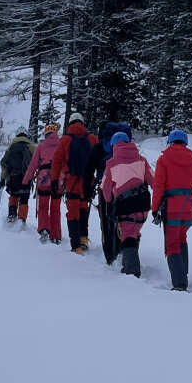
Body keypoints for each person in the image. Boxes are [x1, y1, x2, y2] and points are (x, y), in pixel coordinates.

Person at [151, 129, 192, 291]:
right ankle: (183, 275)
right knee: (181, 239)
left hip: (172, 207)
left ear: (170, 142)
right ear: (185, 143)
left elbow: (158, 186)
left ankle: (179, 284)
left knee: (172, 245)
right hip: (189, 207)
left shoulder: (163, 160)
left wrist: (154, 208)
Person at [100, 129, 154, 277]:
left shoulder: (111, 163)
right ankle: (129, 262)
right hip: (143, 206)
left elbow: (105, 188)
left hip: (125, 206)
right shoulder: (142, 160)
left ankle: (132, 271)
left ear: (114, 146)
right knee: (134, 232)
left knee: (127, 236)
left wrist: (110, 201)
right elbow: (154, 180)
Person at [51, 112, 102, 255]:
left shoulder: (65, 140)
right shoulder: (92, 138)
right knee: (84, 208)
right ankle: (83, 238)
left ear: (70, 124)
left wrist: (55, 180)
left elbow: (56, 162)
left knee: (72, 212)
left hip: (71, 181)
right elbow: (100, 160)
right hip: (88, 182)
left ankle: (76, 246)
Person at [96, 121, 130, 265]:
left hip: (107, 191)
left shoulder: (104, 153)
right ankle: (126, 253)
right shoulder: (135, 154)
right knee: (125, 223)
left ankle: (111, 256)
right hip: (128, 192)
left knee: (107, 221)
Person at [26, 122, 63, 244]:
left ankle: (44, 229)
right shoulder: (62, 145)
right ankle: (56, 234)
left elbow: (33, 165)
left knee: (43, 207)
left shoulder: (41, 147)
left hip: (43, 180)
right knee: (55, 208)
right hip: (58, 180)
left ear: (45, 134)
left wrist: (26, 180)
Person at [0, 128, 35, 226]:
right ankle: (22, 220)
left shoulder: (11, 147)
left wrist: (2, 178)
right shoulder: (31, 147)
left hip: (13, 178)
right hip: (26, 177)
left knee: (13, 196)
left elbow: (4, 163)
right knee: (24, 199)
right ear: (26, 136)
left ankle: (12, 215)